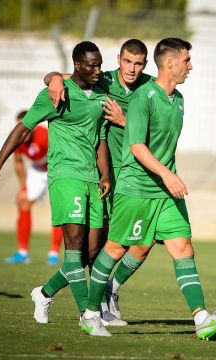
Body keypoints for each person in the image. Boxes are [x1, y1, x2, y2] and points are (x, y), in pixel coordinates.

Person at [79, 38, 216, 339]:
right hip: (136, 187)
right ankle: (90, 314)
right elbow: (136, 146)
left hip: (165, 193)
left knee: (183, 247)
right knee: (115, 249)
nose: (191, 66)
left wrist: (168, 177)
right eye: (187, 60)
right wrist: (168, 175)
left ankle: (201, 318)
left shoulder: (178, 100)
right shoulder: (143, 98)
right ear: (170, 63)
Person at [0, 40, 110, 324]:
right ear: (77, 65)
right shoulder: (55, 94)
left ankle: (44, 292)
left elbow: (100, 138)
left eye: (100, 64)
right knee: (75, 246)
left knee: (91, 251)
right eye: (93, 65)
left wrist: (105, 174)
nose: (98, 70)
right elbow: (23, 128)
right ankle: (88, 315)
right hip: (65, 175)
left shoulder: (101, 92)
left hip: (92, 177)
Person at [45, 39, 155, 326]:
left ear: (146, 64)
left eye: (139, 63)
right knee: (95, 249)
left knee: (144, 241)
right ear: (118, 59)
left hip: (138, 176)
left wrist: (124, 119)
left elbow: (156, 128)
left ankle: (105, 288)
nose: (132, 69)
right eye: (127, 61)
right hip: (108, 175)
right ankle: (98, 306)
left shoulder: (152, 88)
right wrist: (53, 77)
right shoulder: (103, 79)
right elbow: (67, 77)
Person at [3, 110, 63, 265]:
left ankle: (54, 253)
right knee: (23, 201)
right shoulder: (16, 137)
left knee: (60, 208)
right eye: (20, 126)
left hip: (55, 168)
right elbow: (18, 162)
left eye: (26, 126)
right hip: (37, 169)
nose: (23, 130)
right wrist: (23, 187)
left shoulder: (45, 135)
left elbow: (60, 155)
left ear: (34, 125)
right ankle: (22, 253)